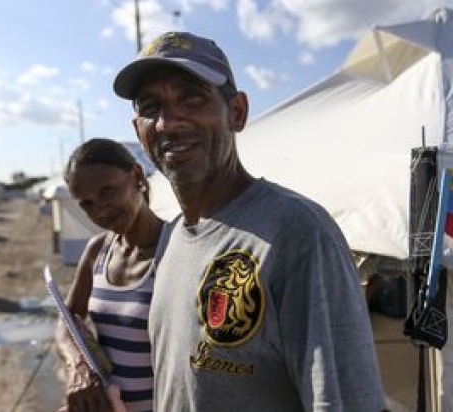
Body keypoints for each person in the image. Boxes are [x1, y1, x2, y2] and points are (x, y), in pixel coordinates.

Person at [113, 31, 387, 411]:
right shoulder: (173, 236)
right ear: (138, 133)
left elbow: (344, 403)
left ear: (237, 112)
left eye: (192, 98)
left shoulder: (298, 232)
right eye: (150, 106)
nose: (168, 122)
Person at [55, 138, 166, 412]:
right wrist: (77, 365)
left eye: (107, 191)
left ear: (137, 176)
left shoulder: (177, 248)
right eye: (87, 204)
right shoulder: (98, 251)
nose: (100, 210)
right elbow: (67, 320)